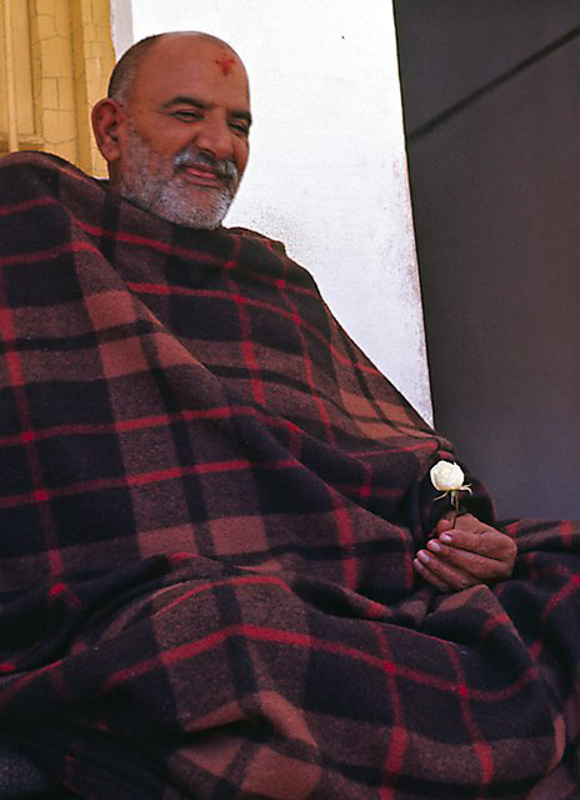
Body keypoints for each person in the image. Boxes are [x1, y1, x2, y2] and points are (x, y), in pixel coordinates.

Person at [0, 31, 578, 800]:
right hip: (167, 592)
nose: (218, 145)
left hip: (354, 572)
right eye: (187, 114)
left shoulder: (272, 278)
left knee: (564, 572)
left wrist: (459, 523)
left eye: (238, 124)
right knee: (220, 636)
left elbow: (403, 448)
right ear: (111, 129)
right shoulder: (37, 224)